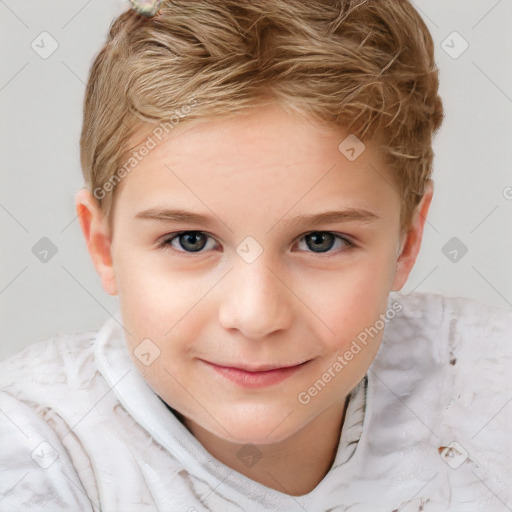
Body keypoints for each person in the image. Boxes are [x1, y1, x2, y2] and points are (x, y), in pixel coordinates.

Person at [1, 1, 511, 510]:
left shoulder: (490, 398)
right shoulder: (35, 454)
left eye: (320, 241)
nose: (255, 316)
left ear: (407, 240)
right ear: (103, 244)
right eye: (191, 241)